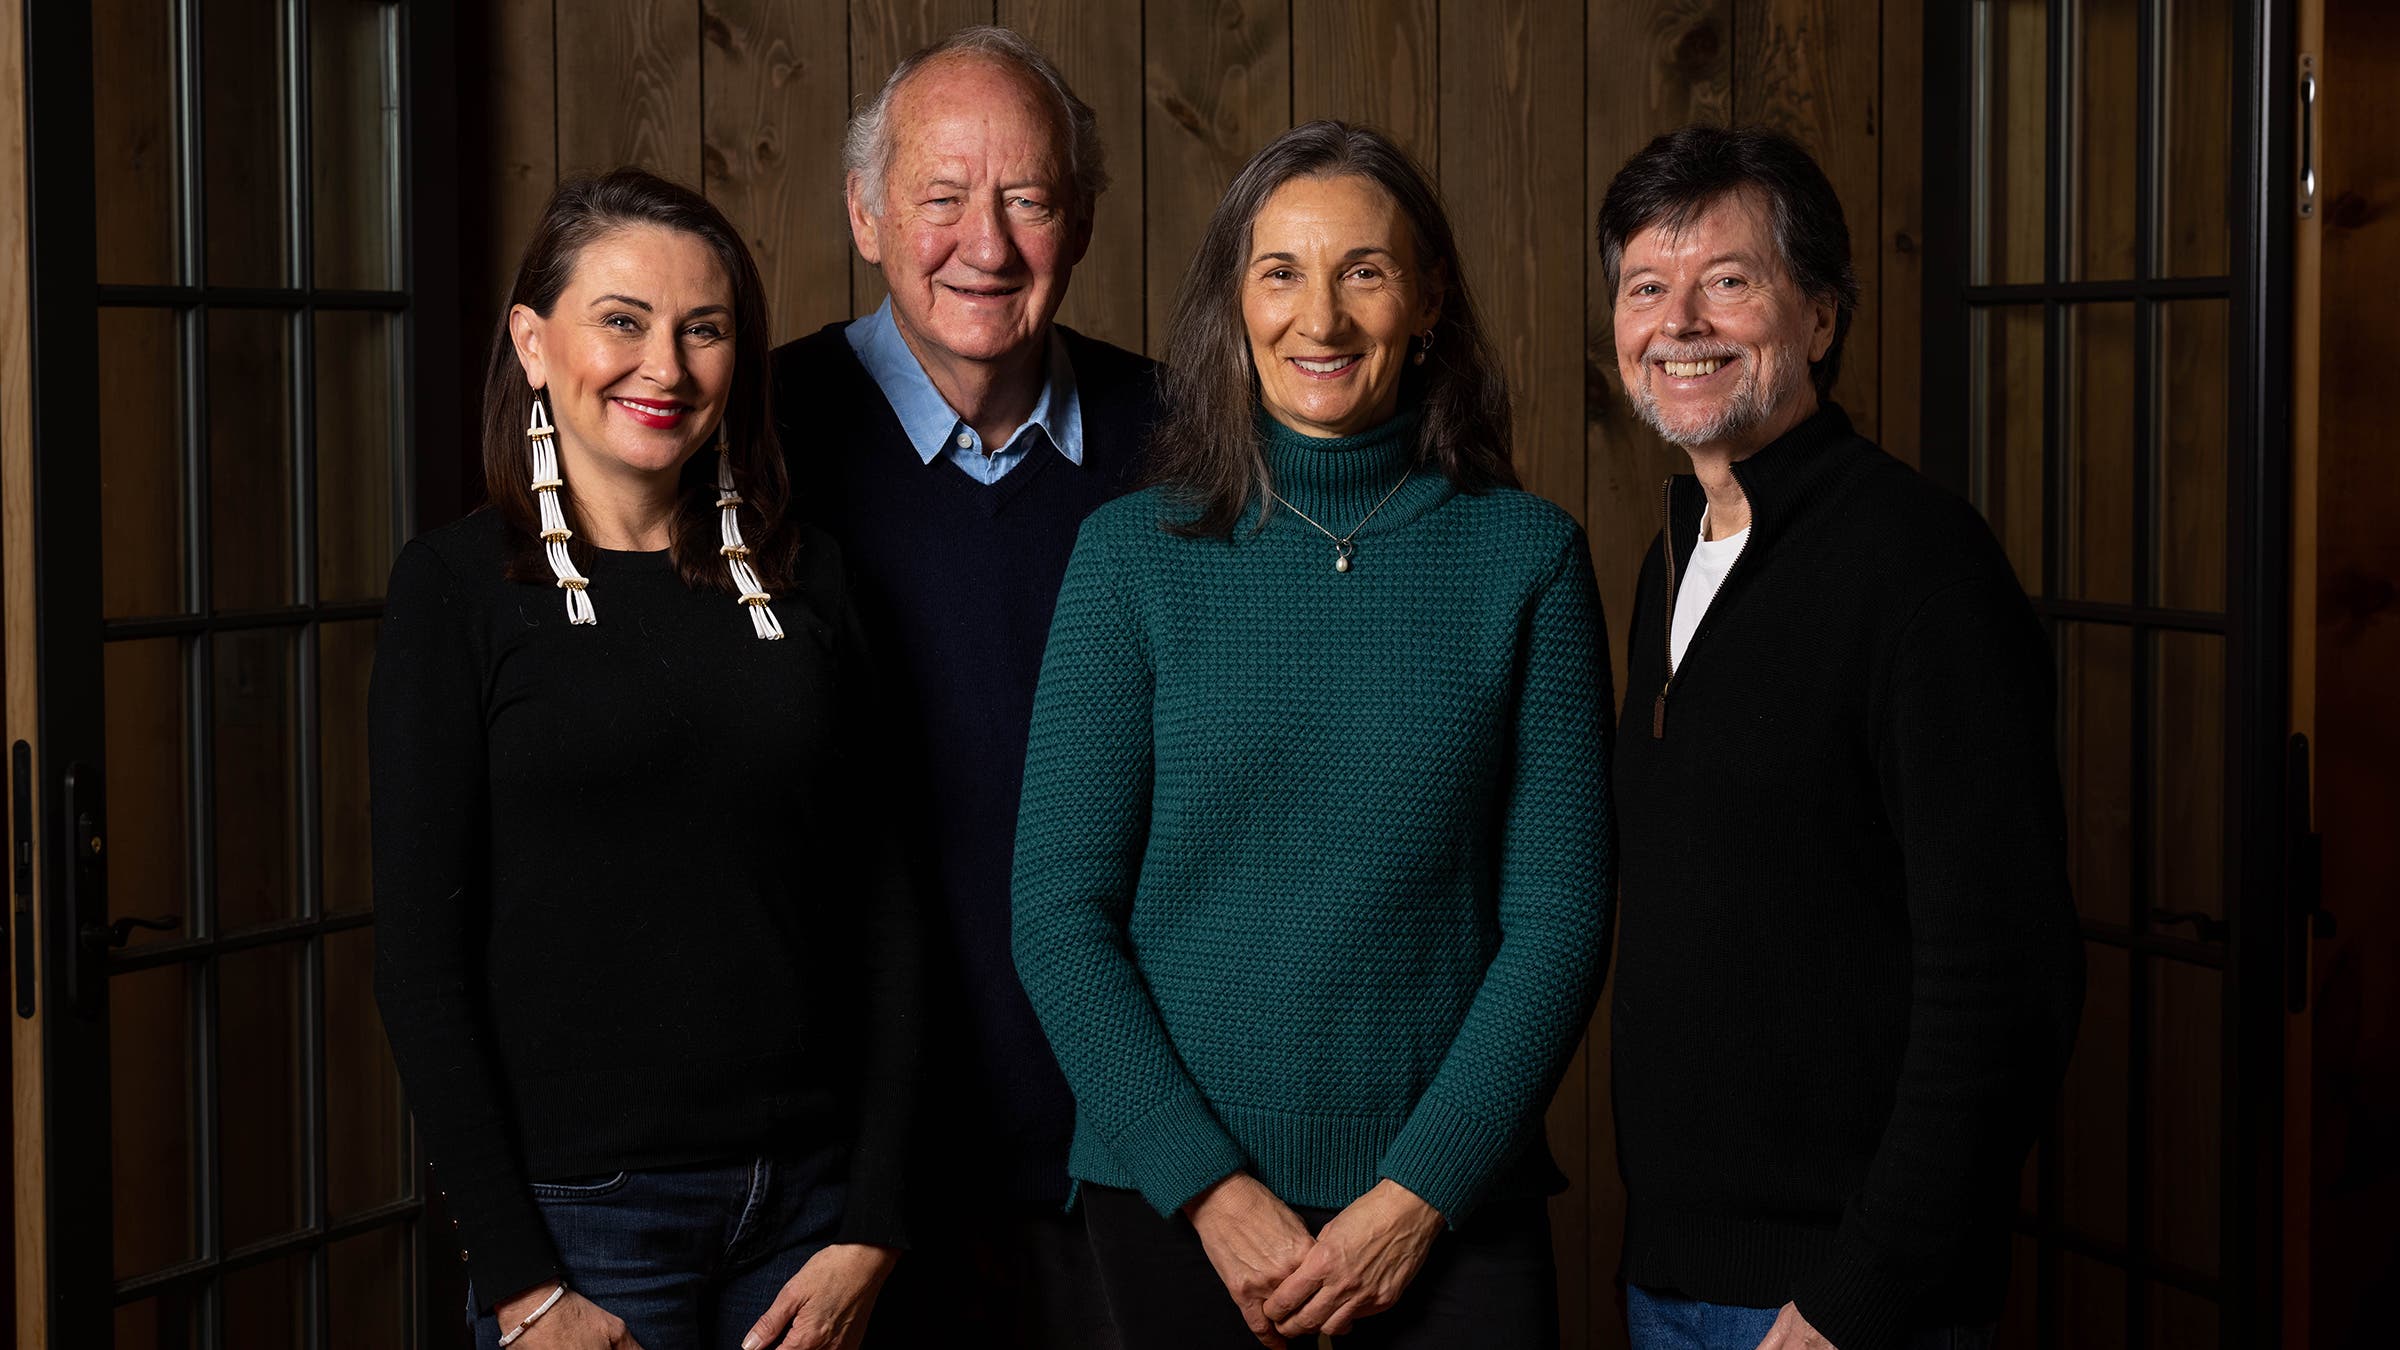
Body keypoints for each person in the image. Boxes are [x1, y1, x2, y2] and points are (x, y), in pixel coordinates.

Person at [1011, 120, 1614, 1349]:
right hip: (1177, 1210)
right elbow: (1058, 916)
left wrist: (1417, 1196)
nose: (1320, 318)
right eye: (1280, 271)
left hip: (1448, 1214)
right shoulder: (1130, 559)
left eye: (1365, 271)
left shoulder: (1529, 558)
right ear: (1234, 299)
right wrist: (1214, 1192)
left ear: (1430, 297)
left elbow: (1558, 919)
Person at [372, 169, 920, 1350]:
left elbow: (889, 913)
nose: (664, 367)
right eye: (621, 320)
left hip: (807, 1214)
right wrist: (524, 1286)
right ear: (532, 339)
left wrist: (872, 1221)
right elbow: (419, 960)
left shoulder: (812, 579)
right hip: (583, 1229)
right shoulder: (456, 593)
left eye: (704, 329)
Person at [1599, 126, 2084, 1350]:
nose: (1681, 321)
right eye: (1646, 287)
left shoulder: (1920, 569)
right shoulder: (1678, 555)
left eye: (1730, 280)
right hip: (1674, 1279)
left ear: (1819, 318)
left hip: (1848, 1304)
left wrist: (1850, 1301)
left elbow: (2007, 991)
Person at [768, 26, 1155, 1348]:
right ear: (867, 215)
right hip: (837, 1178)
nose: (984, 243)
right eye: (940, 196)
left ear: (1084, 220)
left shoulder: (1183, 447)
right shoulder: (756, 443)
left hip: (1127, 1151)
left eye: (1029, 198)